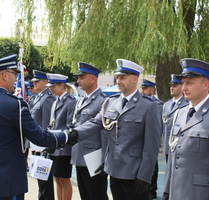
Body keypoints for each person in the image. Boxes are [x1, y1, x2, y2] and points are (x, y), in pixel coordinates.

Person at [0, 55, 73, 200]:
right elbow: (39, 136)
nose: (16, 79)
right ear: (5, 75)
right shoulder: (15, 105)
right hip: (7, 182)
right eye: (14, 74)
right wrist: (66, 136)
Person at [69, 59, 161, 200]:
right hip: (114, 171)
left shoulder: (148, 106)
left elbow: (152, 146)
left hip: (135, 173)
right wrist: (74, 134)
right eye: (117, 77)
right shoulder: (111, 102)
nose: (118, 81)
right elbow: (95, 123)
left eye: (123, 78)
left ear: (135, 79)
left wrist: (145, 175)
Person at [162, 58, 209, 200]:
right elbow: (173, 157)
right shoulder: (180, 113)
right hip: (176, 192)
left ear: (205, 85)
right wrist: (166, 190)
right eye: (183, 83)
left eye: (189, 83)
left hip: (199, 195)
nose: (184, 88)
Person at [70, 62, 108, 200]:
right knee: (85, 195)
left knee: (97, 196)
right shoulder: (81, 101)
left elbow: (104, 133)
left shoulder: (103, 101)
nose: (78, 81)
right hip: (80, 156)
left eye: (82, 77)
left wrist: (104, 160)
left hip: (94, 159)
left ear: (92, 79)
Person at [46, 73, 77, 200]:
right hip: (55, 146)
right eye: (50, 86)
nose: (51, 89)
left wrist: (56, 135)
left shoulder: (70, 102)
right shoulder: (55, 102)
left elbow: (71, 125)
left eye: (53, 86)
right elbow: (51, 123)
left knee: (64, 179)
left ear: (62, 85)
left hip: (64, 148)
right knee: (57, 179)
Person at [30, 70, 56, 200]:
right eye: (34, 81)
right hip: (36, 144)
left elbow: (47, 124)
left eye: (37, 81)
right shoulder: (38, 97)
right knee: (40, 179)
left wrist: (46, 145)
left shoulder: (47, 98)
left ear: (46, 82)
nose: (34, 83)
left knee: (45, 181)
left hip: (42, 146)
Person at [140, 79, 163, 200]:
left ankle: (152, 189)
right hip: (142, 138)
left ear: (152, 90)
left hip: (152, 138)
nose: (142, 91)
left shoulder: (157, 104)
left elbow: (157, 124)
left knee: (153, 164)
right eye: (142, 88)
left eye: (145, 88)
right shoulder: (142, 102)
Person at [162, 74, 188, 162]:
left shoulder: (187, 104)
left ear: (181, 87)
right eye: (171, 86)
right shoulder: (167, 104)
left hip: (179, 145)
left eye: (175, 86)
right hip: (167, 146)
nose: (172, 88)